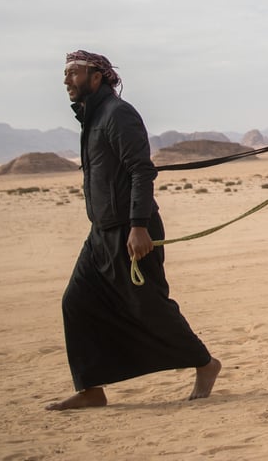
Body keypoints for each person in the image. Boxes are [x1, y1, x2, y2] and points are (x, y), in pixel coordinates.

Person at [46, 50, 220, 411]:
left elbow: (141, 171)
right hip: (101, 233)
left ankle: (205, 363)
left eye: (73, 73)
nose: (66, 80)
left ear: (96, 77)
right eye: (65, 73)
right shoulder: (92, 118)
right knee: (76, 303)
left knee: (148, 305)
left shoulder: (117, 114)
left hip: (130, 229)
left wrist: (139, 226)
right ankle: (91, 389)